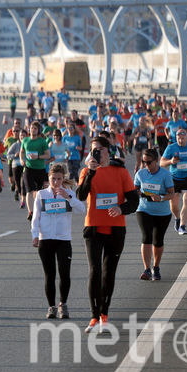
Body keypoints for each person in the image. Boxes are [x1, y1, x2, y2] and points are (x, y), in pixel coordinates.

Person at [76, 136, 139, 334]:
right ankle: (94, 316)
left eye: (100, 150)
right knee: (95, 271)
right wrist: (91, 173)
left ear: (108, 151)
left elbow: (134, 201)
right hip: (93, 227)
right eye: (93, 149)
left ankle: (104, 315)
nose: (96, 153)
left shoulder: (120, 172)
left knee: (108, 272)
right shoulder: (86, 171)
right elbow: (80, 195)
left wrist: (121, 209)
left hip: (116, 227)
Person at [31, 162, 85, 319]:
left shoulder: (69, 193)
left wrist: (68, 198)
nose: (56, 182)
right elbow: (36, 217)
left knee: (64, 273)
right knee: (49, 274)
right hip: (46, 239)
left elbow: (81, 210)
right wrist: (35, 235)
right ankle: (51, 306)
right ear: (49, 178)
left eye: (59, 179)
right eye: (53, 179)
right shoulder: (42, 194)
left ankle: (63, 304)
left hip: (63, 239)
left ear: (63, 179)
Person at [134, 149, 175, 281]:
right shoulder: (140, 173)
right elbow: (135, 189)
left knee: (158, 241)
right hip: (144, 209)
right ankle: (146, 269)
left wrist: (161, 198)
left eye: (149, 162)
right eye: (143, 162)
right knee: (146, 237)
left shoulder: (165, 174)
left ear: (156, 161)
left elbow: (171, 194)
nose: (146, 165)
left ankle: (156, 267)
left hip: (162, 213)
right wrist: (139, 193)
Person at [21, 121, 51, 221]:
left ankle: (38, 209)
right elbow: (22, 152)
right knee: (29, 190)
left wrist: (37, 156)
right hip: (28, 168)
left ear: (38, 130)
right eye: (31, 128)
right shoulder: (25, 140)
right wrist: (22, 159)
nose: (32, 130)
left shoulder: (42, 141)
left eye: (35, 128)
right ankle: (30, 212)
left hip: (40, 169)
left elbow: (48, 155)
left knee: (38, 192)